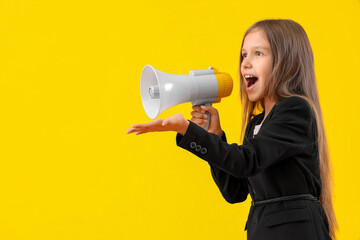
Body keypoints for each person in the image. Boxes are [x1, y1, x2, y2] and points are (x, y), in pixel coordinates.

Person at [127, 19, 337, 240]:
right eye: (244, 55)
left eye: (258, 53)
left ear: (286, 62)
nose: (245, 63)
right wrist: (214, 136)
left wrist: (188, 130)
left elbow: (246, 160)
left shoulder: (296, 110)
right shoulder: (256, 125)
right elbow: (234, 192)